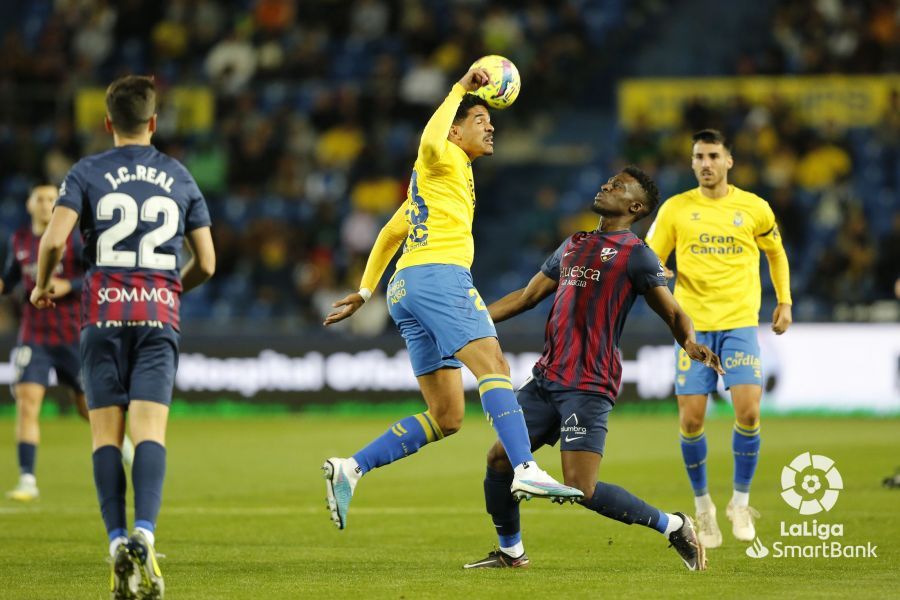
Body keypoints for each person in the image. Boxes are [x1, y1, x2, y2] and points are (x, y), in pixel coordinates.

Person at [322, 67, 583, 531]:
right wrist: (461, 88)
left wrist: (365, 290)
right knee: (494, 366)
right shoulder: (441, 155)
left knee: (446, 416)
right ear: (455, 131)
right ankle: (525, 468)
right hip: (439, 276)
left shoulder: (438, 182)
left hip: (405, 288)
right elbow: (428, 142)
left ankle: (352, 468)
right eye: (480, 119)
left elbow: (392, 231)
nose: (490, 126)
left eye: (490, 119)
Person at [463, 166, 720, 572]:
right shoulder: (574, 243)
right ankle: (511, 553)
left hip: (589, 383)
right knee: (499, 459)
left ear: (635, 207)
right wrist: (469, 323)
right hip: (547, 377)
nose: (605, 186)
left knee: (581, 487)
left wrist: (688, 342)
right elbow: (527, 296)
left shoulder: (637, 255)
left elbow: (673, 312)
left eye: (618, 186)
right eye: (609, 181)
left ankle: (674, 525)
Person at [31, 75, 215, 600]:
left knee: (105, 437)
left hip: (102, 316)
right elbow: (207, 262)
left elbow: (53, 241)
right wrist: (169, 287)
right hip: (158, 317)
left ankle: (116, 541)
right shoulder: (179, 175)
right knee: (150, 432)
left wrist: (42, 286)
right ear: (154, 122)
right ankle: (145, 535)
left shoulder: (86, 171)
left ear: (107, 121)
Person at [646, 129, 792, 547]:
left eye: (713, 155)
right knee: (691, 420)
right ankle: (704, 506)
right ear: (692, 163)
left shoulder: (754, 207)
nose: (705, 163)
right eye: (699, 157)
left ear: (729, 161)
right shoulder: (676, 209)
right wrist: (658, 270)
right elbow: (649, 256)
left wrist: (784, 301)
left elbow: (776, 253)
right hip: (692, 328)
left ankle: (740, 503)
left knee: (748, 412)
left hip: (740, 323)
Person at [3, 185, 135, 502]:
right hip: (34, 335)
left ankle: (126, 448)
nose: (46, 204)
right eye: (40, 198)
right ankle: (27, 479)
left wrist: (68, 285)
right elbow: (10, 279)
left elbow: (97, 274)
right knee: (27, 403)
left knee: (87, 407)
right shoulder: (19, 239)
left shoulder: (74, 239)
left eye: (51, 199)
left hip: (73, 336)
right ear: (29, 204)